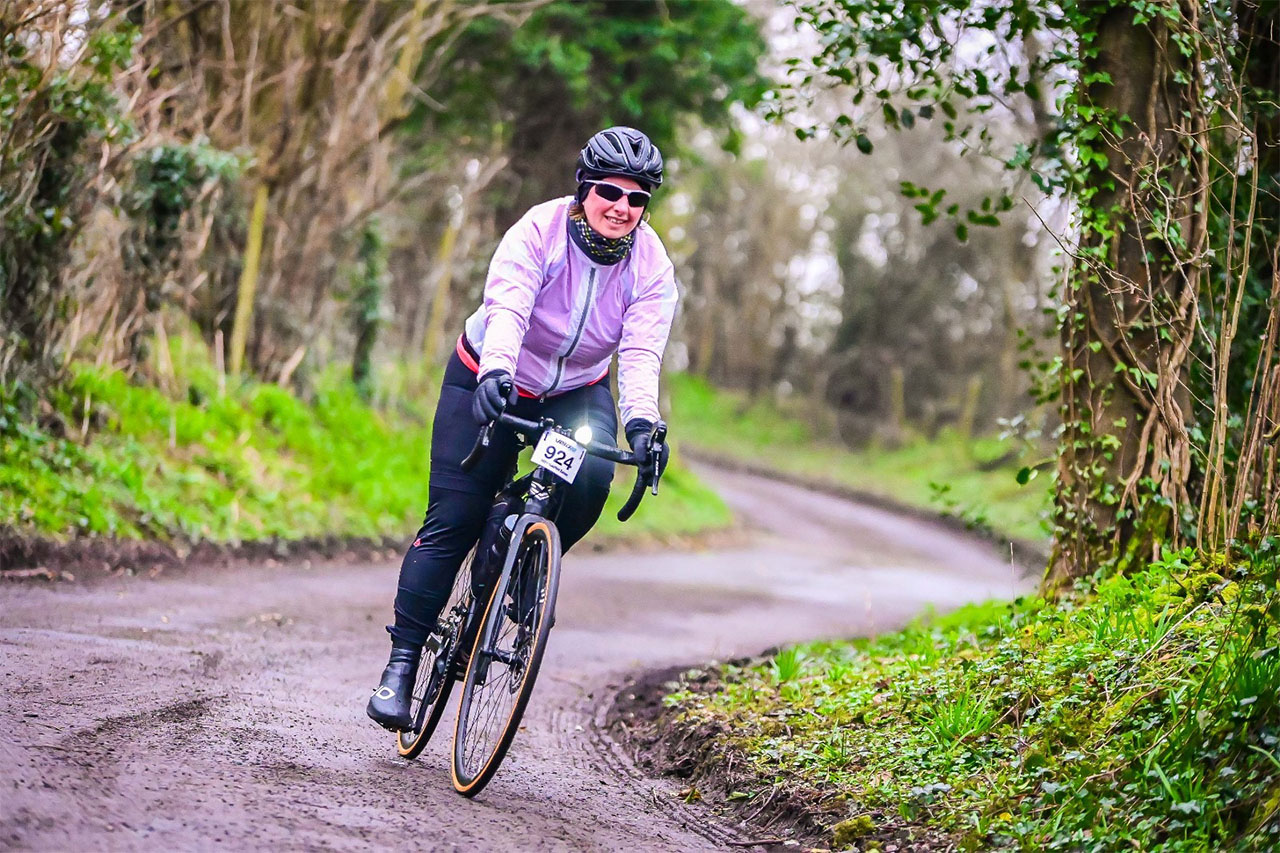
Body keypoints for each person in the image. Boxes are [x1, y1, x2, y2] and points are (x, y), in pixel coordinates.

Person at [367, 126, 677, 730]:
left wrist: (643, 423)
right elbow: (508, 306)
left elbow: (641, 353)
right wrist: (498, 372)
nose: (622, 207)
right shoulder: (539, 230)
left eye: (638, 199)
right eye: (611, 192)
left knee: (589, 476)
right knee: (454, 518)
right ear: (586, 188)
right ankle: (401, 667)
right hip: (488, 374)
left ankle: (524, 547)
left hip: (573, 392)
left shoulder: (651, 266)